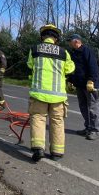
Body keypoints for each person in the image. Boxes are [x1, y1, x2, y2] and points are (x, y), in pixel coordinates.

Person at [27, 24, 74, 162]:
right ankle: (57, 152)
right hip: (58, 96)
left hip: (38, 94)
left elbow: (30, 65)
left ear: (42, 36)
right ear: (56, 38)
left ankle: (38, 148)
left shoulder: (34, 49)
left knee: (38, 118)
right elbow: (70, 69)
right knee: (57, 122)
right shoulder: (63, 52)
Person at [68, 34, 99, 140]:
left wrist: (91, 80)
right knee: (83, 107)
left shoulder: (87, 51)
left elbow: (93, 66)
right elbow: (73, 69)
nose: (69, 43)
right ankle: (88, 127)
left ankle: (94, 130)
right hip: (80, 85)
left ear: (77, 41)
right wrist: (70, 81)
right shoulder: (73, 53)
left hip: (90, 85)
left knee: (92, 107)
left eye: (70, 41)